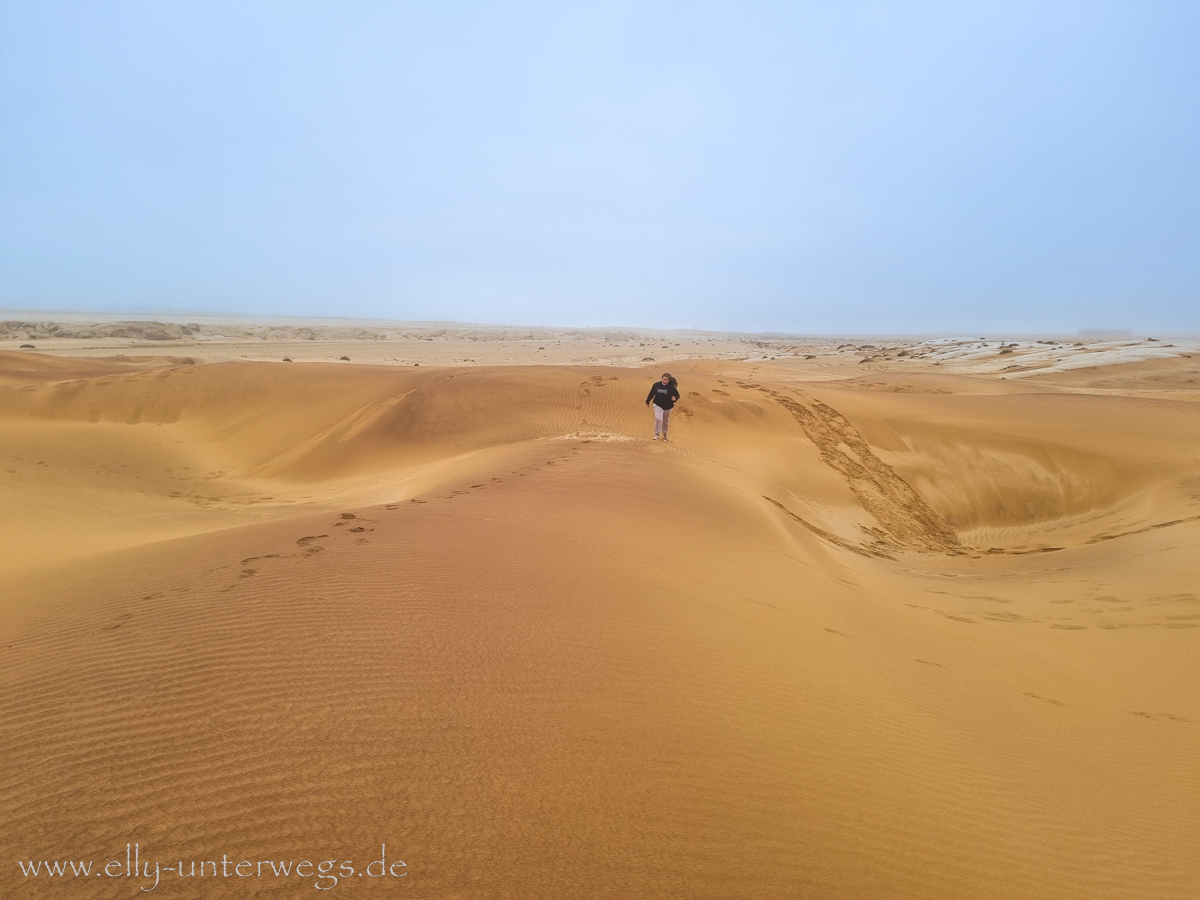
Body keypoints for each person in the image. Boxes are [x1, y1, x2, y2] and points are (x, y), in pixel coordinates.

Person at [645, 373, 680, 441]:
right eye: (664, 379)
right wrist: (647, 401)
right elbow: (651, 393)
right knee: (658, 419)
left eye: (666, 380)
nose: (665, 381)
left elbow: (677, 395)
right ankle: (656, 434)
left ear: (669, 380)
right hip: (658, 404)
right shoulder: (656, 385)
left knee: (665, 421)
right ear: (661, 378)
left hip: (668, 406)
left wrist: (674, 398)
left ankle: (665, 435)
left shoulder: (671, 387)